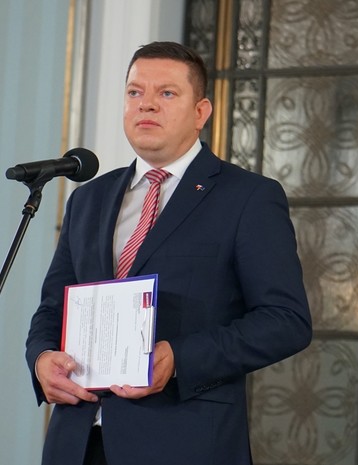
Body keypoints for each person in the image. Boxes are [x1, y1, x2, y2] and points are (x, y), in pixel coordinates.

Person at [25, 41, 312, 465]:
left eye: (167, 93)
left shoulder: (247, 197)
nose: (147, 104)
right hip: (77, 441)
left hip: (183, 441)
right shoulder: (88, 199)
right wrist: (41, 359)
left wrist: (179, 358)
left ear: (200, 112)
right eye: (135, 92)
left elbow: (286, 321)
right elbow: (53, 308)